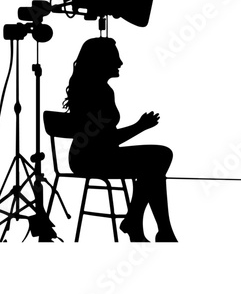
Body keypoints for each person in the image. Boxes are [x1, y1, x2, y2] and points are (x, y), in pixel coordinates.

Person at [63, 37, 177, 242]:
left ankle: (145, 224)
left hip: (93, 155)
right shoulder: (97, 93)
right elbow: (106, 141)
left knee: (154, 165)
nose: (120, 62)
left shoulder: (99, 90)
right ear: (100, 61)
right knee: (159, 158)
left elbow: (105, 140)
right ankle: (156, 229)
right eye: (115, 57)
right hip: (90, 159)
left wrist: (139, 127)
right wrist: (139, 127)